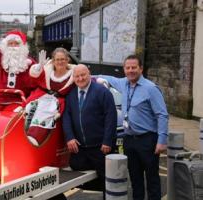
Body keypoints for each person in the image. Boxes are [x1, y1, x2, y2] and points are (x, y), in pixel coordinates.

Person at [96, 55, 168, 200]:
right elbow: (103, 77)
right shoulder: (123, 83)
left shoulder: (151, 88)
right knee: (135, 180)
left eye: (134, 67)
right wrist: (71, 72)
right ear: (124, 69)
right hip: (129, 139)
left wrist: (162, 140)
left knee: (152, 179)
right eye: (127, 68)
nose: (130, 71)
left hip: (147, 139)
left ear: (141, 69)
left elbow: (162, 115)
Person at [62, 64, 117, 200]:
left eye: (83, 75)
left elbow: (111, 118)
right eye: (77, 76)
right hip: (81, 148)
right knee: (76, 167)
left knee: (107, 180)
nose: (80, 78)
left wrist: (107, 141)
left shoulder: (102, 92)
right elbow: (66, 118)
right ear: (73, 78)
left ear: (89, 74)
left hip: (100, 147)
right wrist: (69, 137)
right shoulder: (71, 95)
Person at [24, 47, 76, 146]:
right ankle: (23, 135)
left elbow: (84, 78)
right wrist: (39, 67)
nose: (60, 62)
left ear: (67, 60)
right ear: (53, 61)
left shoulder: (73, 73)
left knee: (45, 117)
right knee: (28, 112)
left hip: (55, 103)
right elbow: (34, 78)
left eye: (62, 59)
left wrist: (99, 81)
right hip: (40, 98)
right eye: (57, 59)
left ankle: (34, 139)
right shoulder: (47, 71)